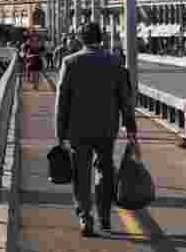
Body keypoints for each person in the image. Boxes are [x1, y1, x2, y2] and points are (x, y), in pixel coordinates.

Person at [56, 23, 138, 237]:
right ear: (100, 38)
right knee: (105, 169)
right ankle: (104, 216)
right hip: (106, 128)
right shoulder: (115, 61)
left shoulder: (70, 62)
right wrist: (130, 126)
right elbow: (125, 98)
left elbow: (62, 100)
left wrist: (60, 132)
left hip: (77, 129)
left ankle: (85, 217)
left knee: (80, 174)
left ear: (81, 39)